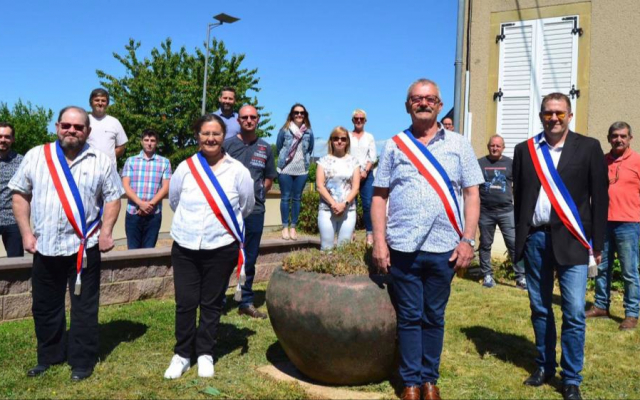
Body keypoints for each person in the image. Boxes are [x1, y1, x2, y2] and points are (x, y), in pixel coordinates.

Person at [372, 79, 483, 400]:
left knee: (434, 316)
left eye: (430, 99)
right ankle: (410, 382)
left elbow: (472, 194)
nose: (423, 103)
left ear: (439, 105)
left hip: (445, 246)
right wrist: (379, 241)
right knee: (409, 317)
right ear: (408, 105)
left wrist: (468, 240)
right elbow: (379, 196)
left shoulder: (459, 144)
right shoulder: (394, 145)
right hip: (403, 245)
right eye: (417, 99)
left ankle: (429, 380)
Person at [9, 106, 124, 381]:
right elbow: (20, 194)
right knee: (45, 306)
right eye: (67, 126)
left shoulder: (101, 160)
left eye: (78, 127)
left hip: (84, 248)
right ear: (57, 126)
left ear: (88, 131)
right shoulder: (37, 156)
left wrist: (107, 232)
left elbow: (113, 197)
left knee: (84, 308)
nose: (72, 130)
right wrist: (26, 233)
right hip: (46, 246)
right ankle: (49, 356)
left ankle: (82, 361)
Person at [513, 93, 608, 400]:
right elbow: (520, 198)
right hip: (536, 239)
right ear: (541, 115)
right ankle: (544, 366)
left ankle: (571, 378)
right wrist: (521, 239)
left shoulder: (589, 147)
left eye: (559, 113)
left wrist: (597, 243)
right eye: (548, 113)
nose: (553, 118)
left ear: (570, 115)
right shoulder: (525, 150)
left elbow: (600, 198)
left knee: (575, 311)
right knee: (540, 308)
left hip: (573, 239)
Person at [165, 114, 254, 380]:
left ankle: (205, 353)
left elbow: (246, 206)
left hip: (221, 246)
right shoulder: (185, 167)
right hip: (185, 245)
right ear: (198, 136)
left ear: (224, 136)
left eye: (216, 133)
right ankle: (182, 354)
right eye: (205, 133)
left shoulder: (238, 170)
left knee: (212, 303)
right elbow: (174, 200)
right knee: (185, 302)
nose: (211, 138)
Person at [223, 105, 276, 319]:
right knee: (224, 256)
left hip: (255, 211)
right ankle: (217, 300)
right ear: (238, 120)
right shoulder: (227, 145)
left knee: (250, 258)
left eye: (252, 117)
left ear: (257, 120)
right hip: (228, 211)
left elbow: (269, 179)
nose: (248, 120)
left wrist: (256, 194)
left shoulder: (265, 148)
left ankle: (245, 301)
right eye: (244, 117)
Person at [586, 121, 640, 331]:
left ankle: (631, 313)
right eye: (615, 136)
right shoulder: (601, 161)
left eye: (623, 136)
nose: (619, 139)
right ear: (609, 138)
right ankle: (601, 306)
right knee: (601, 267)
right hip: (602, 223)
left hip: (629, 224)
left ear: (630, 138)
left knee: (629, 272)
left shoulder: (637, 161)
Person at [478, 135, 526, 289]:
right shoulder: (480, 163)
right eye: (492, 145)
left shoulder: (510, 164)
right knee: (485, 244)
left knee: (514, 244)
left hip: (506, 211)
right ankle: (487, 275)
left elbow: (519, 185)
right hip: (485, 211)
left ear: (503, 148)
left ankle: (521, 278)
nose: (495, 148)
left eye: (498, 146)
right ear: (488, 146)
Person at [121, 129, 172, 249]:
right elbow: (126, 186)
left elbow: (166, 187)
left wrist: (149, 205)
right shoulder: (131, 161)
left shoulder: (164, 162)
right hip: (133, 212)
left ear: (157, 143)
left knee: (149, 251)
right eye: (146, 140)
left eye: (152, 140)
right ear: (141, 142)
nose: (149, 143)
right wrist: (140, 204)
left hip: (154, 214)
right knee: (132, 251)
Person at [317, 126, 360, 250]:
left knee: (344, 249)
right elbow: (320, 186)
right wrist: (333, 204)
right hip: (326, 209)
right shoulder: (323, 161)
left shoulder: (354, 162)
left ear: (347, 141)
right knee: (326, 248)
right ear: (331, 141)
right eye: (336, 138)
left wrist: (344, 204)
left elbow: (355, 187)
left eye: (343, 139)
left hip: (348, 210)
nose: (339, 141)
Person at [276, 103, 314, 241]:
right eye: (296, 112)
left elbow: (310, 149)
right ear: (292, 114)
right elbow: (279, 147)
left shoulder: (308, 132)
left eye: (301, 113)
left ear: (305, 115)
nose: (299, 115)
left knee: (297, 198)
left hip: (301, 169)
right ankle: (285, 227)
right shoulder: (284, 130)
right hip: (285, 169)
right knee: (285, 197)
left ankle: (293, 227)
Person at [349, 109, 376, 245]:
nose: (359, 121)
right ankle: (350, 232)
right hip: (350, 174)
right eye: (356, 118)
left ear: (365, 121)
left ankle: (369, 234)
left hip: (367, 174)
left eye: (361, 118)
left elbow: (373, 156)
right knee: (351, 204)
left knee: (368, 204)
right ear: (352, 120)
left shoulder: (369, 137)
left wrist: (365, 171)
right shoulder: (347, 135)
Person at [0, 122, 24, 257]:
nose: (3, 140)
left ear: (13, 139)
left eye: (7, 137)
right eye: (0, 136)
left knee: (16, 261)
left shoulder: (21, 162)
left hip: (12, 219)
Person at [87, 88, 128, 163]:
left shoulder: (114, 122)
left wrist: (109, 158)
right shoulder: (84, 121)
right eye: (97, 100)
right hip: (87, 166)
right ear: (91, 103)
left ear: (107, 104)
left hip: (109, 168)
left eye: (103, 101)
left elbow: (121, 147)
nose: (100, 103)